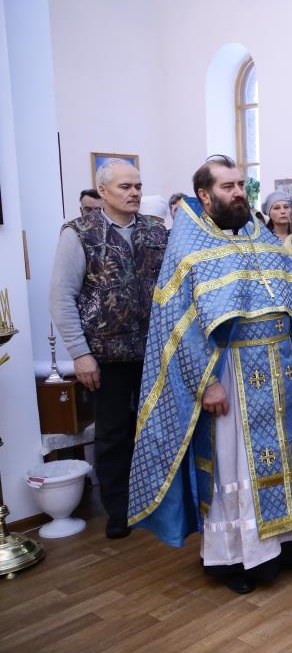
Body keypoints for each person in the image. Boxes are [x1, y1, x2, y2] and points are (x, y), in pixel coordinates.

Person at [127, 155, 292, 594]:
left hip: (279, 369)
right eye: (228, 186)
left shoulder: (262, 238)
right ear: (204, 194)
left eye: (240, 184)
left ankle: (289, 541)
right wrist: (207, 382)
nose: (238, 193)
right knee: (237, 464)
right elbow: (177, 327)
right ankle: (238, 557)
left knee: (286, 454)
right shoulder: (189, 247)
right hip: (231, 372)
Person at [49, 159, 167, 540]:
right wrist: (80, 353)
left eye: (138, 186)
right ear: (103, 191)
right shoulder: (79, 233)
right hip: (106, 355)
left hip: (153, 352)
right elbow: (62, 297)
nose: (134, 193)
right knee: (113, 434)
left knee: (154, 429)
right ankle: (119, 509)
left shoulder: (156, 230)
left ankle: (156, 502)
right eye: (125, 187)